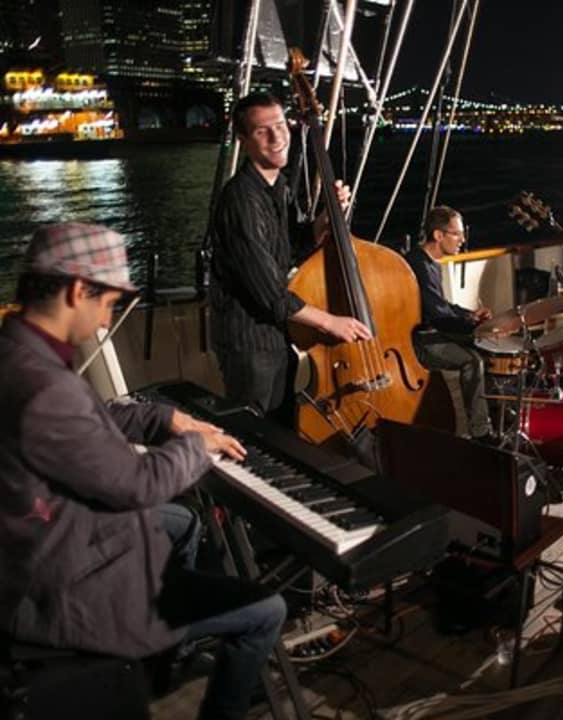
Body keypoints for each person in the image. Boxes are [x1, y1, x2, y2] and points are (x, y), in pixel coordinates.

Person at [0, 222, 287, 720]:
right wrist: (196, 446)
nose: (105, 321)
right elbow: (137, 485)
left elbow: (89, 421)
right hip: (62, 586)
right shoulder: (45, 386)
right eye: (109, 304)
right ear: (78, 290)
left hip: (42, 541)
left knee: (183, 522)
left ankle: (167, 652)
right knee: (266, 609)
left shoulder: (18, 353)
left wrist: (164, 418)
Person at [209, 92, 371, 423]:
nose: (277, 137)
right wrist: (331, 322)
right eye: (262, 131)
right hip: (250, 342)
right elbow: (271, 294)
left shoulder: (278, 187)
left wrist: (325, 219)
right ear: (243, 140)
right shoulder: (241, 200)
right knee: (252, 432)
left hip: (277, 335)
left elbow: (294, 245)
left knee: (281, 426)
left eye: (281, 125)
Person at [405, 206, 493, 438]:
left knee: (483, 348)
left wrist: (470, 315)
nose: (462, 240)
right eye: (457, 234)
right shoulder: (420, 266)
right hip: (418, 340)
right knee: (473, 360)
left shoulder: (428, 261)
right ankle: (480, 432)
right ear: (438, 235)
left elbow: (442, 305)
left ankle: (485, 418)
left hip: (430, 331)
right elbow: (439, 317)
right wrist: (477, 328)